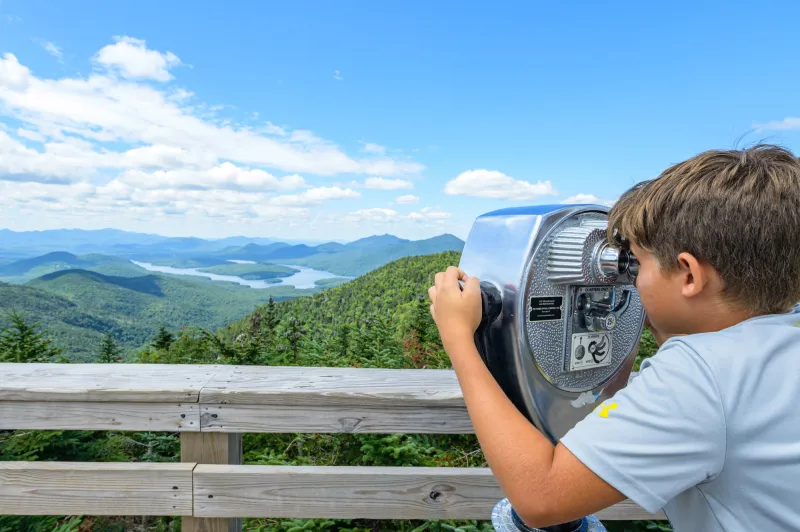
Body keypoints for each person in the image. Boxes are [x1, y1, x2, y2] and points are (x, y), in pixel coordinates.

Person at [427, 144, 800, 531]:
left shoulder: (702, 376)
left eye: (638, 262)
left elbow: (541, 498)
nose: (629, 278)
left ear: (689, 275)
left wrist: (458, 338)